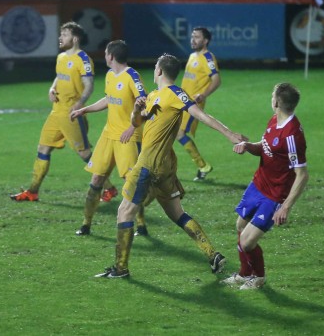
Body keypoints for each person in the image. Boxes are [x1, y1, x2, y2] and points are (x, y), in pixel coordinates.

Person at [96, 53, 246, 279]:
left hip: (148, 164)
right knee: (177, 214)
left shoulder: (175, 93)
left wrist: (230, 134)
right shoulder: (154, 96)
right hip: (165, 167)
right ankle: (212, 254)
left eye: (155, 66)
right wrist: (137, 110)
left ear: (159, 71)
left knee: (124, 211)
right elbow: (137, 122)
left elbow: (201, 114)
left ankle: (120, 268)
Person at [222, 82, 309, 290]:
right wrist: (248, 146)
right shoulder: (274, 120)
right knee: (240, 227)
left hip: (275, 195)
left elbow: (302, 174)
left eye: (272, 95)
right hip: (259, 184)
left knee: (247, 242)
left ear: (276, 102)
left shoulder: (292, 135)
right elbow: (265, 147)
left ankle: (259, 277)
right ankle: (244, 274)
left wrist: (286, 206)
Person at [70, 40, 149, 236]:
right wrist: (84, 109)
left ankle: (141, 224)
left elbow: (145, 102)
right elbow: (108, 99)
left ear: (111, 56)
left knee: (130, 181)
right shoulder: (109, 75)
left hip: (127, 137)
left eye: (106, 53)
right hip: (108, 135)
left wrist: (133, 126)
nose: (104, 56)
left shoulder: (132, 76)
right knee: (97, 178)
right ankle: (86, 224)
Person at [11, 21, 94, 202]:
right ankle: (33, 191)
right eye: (61, 34)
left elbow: (89, 85)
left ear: (75, 38)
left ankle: (107, 187)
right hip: (56, 112)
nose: (60, 38)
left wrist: (80, 103)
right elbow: (59, 75)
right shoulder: (61, 57)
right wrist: (52, 88)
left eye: (64, 35)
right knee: (43, 148)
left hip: (71, 114)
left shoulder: (83, 59)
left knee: (84, 153)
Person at [175, 26, 221, 181]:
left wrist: (203, 94)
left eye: (197, 37)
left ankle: (203, 166)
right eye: (192, 36)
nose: (192, 40)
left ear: (205, 40)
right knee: (170, 131)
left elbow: (216, 80)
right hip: (181, 101)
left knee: (178, 133)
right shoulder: (192, 56)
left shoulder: (208, 57)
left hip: (193, 104)